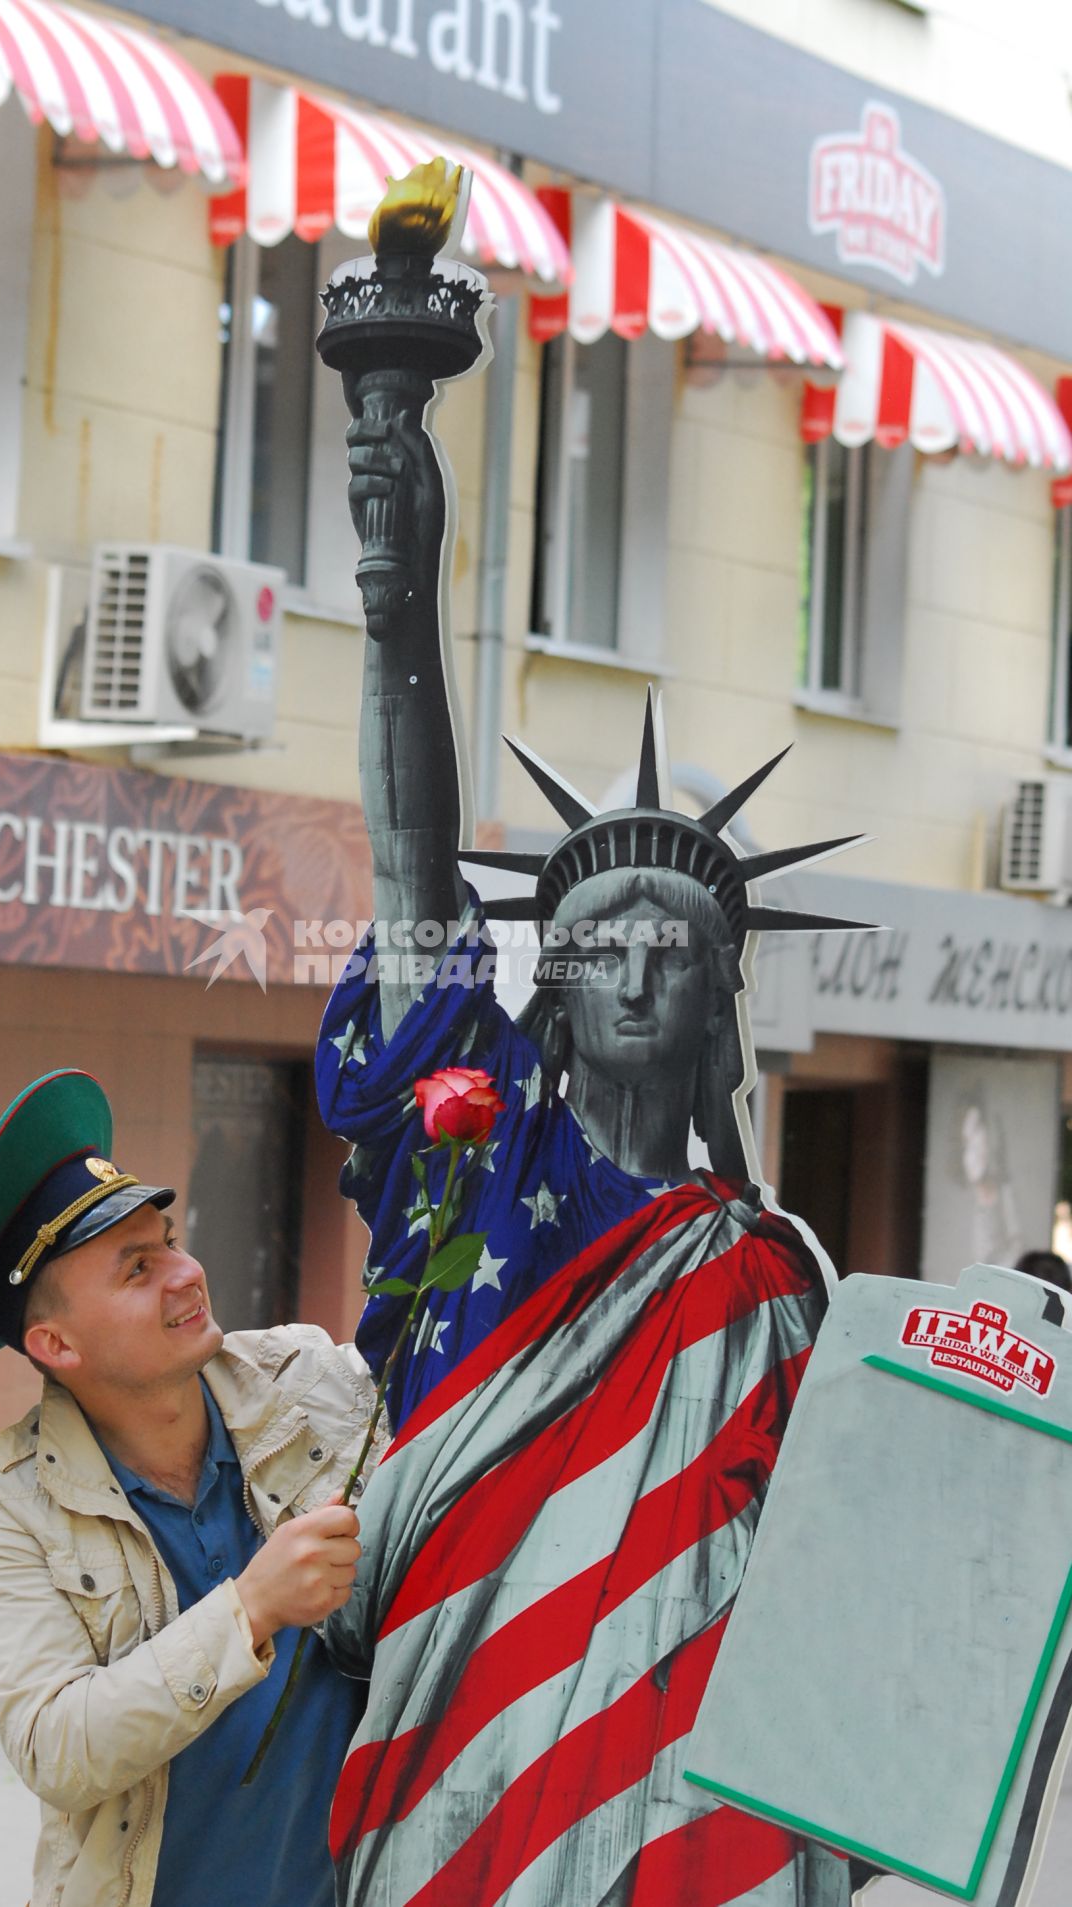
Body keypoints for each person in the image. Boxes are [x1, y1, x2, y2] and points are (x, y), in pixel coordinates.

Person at [314, 381, 870, 1905]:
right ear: (549, 983)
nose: (632, 969)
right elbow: (414, 868)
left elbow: (832, 1575)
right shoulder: (483, 1160)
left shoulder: (768, 1274)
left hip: (691, 1816)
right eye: (600, 943)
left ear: (718, 1004)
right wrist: (396, 605)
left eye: (672, 949)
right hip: (456, 1758)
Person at [0, 1067, 382, 1907]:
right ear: (56, 1344)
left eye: (169, 1237)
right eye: (138, 1268)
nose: (185, 1270)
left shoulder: (311, 1378)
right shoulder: (3, 1500)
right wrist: (250, 1609)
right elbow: (56, 1746)